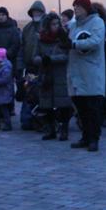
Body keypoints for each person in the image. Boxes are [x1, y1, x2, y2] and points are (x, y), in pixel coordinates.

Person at [65, 0, 105, 152]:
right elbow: (67, 42)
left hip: (91, 72)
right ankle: (85, 137)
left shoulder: (97, 22)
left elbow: (95, 41)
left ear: (87, 8)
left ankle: (94, 138)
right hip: (76, 73)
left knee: (92, 109)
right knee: (81, 109)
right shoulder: (74, 25)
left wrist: (74, 44)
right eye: (74, 6)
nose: (76, 9)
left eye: (79, 7)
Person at [35, 13, 71, 141]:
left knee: (63, 104)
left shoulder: (63, 38)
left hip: (60, 74)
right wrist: (41, 60)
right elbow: (35, 56)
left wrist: (51, 59)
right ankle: (50, 129)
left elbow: (66, 56)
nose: (56, 26)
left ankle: (64, 129)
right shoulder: (41, 40)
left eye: (58, 23)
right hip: (46, 74)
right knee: (47, 104)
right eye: (53, 24)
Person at [18, 0, 47, 130]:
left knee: (42, 94)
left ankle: (41, 121)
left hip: (43, 66)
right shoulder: (27, 28)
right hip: (30, 67)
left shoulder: (46, 26)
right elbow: (22, 47)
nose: (36, 13)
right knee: (28, 93)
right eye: (34, 11)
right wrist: (20, 65)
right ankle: (27, 119)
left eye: (38, 11)